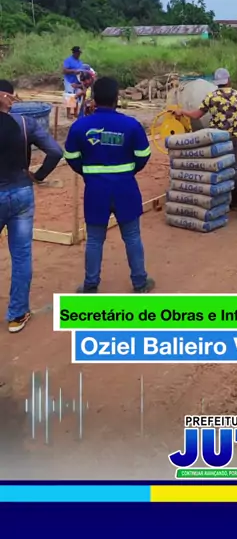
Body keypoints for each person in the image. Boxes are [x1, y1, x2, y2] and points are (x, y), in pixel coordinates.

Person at [64, 76, 154, 294]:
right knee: (132, 237)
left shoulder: (80, 126)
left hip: (95, 190)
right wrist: (128, 171)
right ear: (116, 98)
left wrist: (88, 172)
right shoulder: (131, 125)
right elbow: (143, 155)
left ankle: (90, 285)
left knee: (94, 240)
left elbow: (71, 157)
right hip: (125, 188)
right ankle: (140, 282)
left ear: (94, 98)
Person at [0, 79, 63, 333]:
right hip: (22, 194)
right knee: (21, 255)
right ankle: (17, 314)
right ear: (9, 98)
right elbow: (55, 152)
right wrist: (38, 176)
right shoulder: (26, 123)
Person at [175, 68, 237, 211]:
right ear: (229, 80)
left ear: (217, 82)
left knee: (215, 167)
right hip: (233, 138)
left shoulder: (211, 97)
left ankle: (217, 201)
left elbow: (196, 115)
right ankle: (235, 202)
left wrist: (182, 111)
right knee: (234, 168)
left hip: (216, 139)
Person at [63, 46, 90, 120]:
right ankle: (68, 114)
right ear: (74, 53)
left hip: (77, 81)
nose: (79, 54)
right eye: (78, 53)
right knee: (69, 96)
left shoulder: (80, 62)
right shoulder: (68, 60)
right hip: (69, 81)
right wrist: (74, 71)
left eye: (80, 53)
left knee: (77, 96)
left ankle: (75, 112)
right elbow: (64, 70)